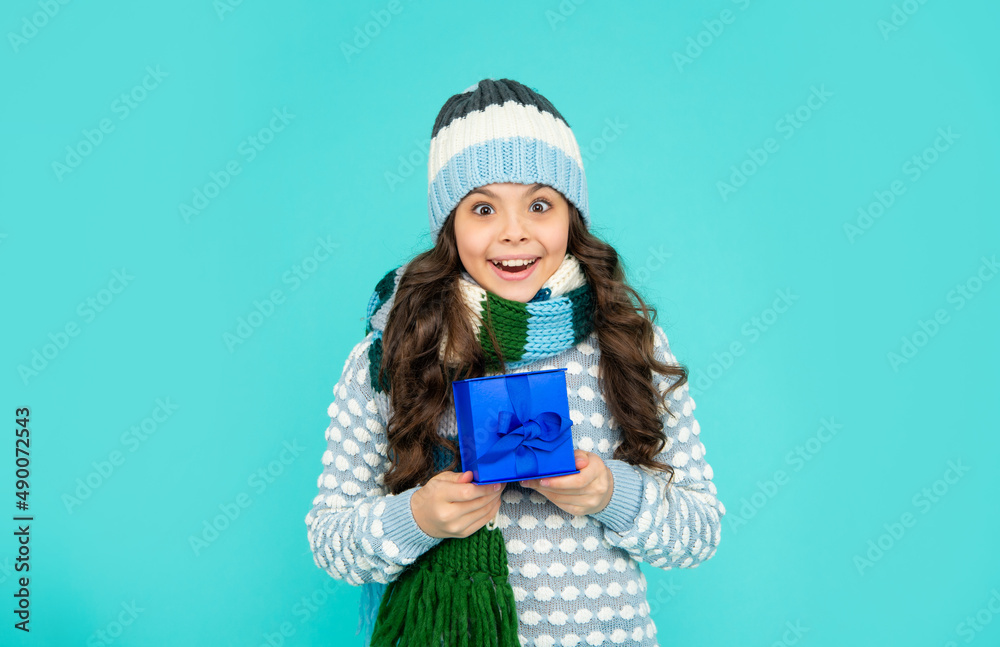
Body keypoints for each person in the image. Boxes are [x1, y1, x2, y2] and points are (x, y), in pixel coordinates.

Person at [304, 77, 725, 647]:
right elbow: (332, 541)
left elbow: (699, 532)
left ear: (570, 215)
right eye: (483, 208)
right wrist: (420, 519)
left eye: (539, 203)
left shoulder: (629, 342)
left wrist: (609, 494)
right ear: (450, 225)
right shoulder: (392, 352)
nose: (514, 233)